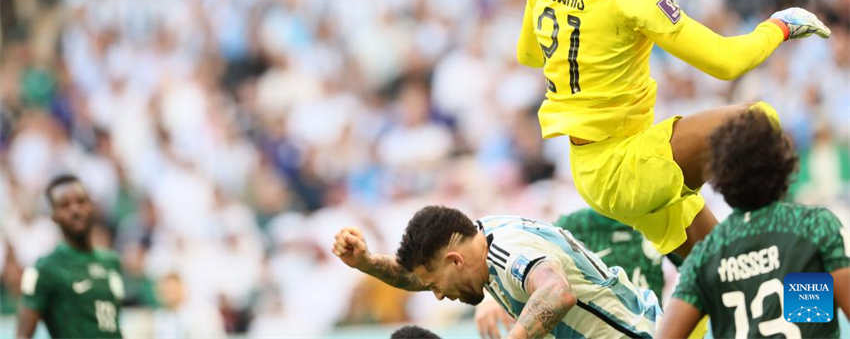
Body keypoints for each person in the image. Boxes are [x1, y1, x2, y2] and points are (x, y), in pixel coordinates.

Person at [516, 0, 831, 257]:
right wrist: (780, 26)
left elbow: (530, 55)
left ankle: (771, 281)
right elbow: (726, 63)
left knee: (722, 270)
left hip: (590, 169)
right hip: (626, 168)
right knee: (756, 125)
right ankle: (789, 246)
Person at [657, 109, 850, 338]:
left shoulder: (706, 254)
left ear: (720, 176)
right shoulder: (813, 228)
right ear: (783, 163)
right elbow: (811, 311)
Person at [332, 206, 660, 339]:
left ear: (456, 261)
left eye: (436, 286)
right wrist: (367, 262)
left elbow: (557, 292)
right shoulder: (480, 238)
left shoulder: (507, 252)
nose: (439, 295)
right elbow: (417, 276)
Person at [474, 207, 665, 339]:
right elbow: (531, 254)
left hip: (643, 322)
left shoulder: (658, 219)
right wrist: (490, 298)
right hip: (595, 324)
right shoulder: (580, 222)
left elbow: (692, 267)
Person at [16, 174, 124, 338]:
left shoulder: (112, 262)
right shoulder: (45, 269)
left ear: (91, 206)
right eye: (64, 205)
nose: (75, 210)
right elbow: (22, 336)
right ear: (53, 215)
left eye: (81, 201)